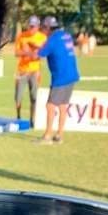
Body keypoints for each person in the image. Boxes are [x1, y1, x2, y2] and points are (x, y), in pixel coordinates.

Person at [34, 16, 79, 144]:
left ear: (48, 28)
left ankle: (47, 136)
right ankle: (59, 135)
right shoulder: (65, 35)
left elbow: (40, 54)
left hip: (61, 77)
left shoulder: (52, 39)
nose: (42, 30)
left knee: (50, 106)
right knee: (63, 106)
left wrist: (28, 51)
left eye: (43, 28)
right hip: (72, 74)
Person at [13, 15, 46, 127]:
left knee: (34, 97)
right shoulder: (22, 36)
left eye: (34, 26)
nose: (32, 28)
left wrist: (34, 50)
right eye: (30, 26)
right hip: (22, 71)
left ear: (38, 26)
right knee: (18, 97)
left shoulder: (42, 37)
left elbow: (42, 54)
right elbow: (16, 53)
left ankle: (32, 120)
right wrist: (28, 53)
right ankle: (18, 117)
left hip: (35, 71)